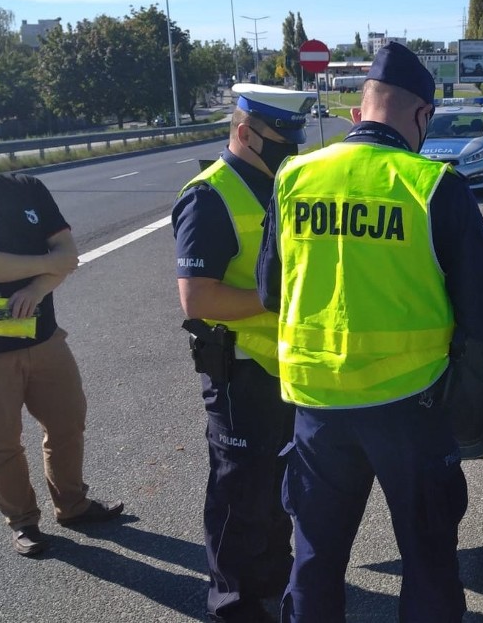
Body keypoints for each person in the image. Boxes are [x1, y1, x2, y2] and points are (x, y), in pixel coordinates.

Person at [256, 42, 483, 622]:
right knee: (427, 559)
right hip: (409, 409)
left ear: (360, 110)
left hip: (316, 408)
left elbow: (271, 291)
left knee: (316, 560)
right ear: (422, 115)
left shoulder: (295, 176)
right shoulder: (433, 186)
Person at [172, 83, 315, 623]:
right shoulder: (209, 196)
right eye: (280, 140)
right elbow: (198, 298)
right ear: (242, 132)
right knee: (238, 498)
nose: (291, 151)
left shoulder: (282, 184)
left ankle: (271, 587)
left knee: (277, 493)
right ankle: (232, 605)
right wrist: (274, 299)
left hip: (284, 371)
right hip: (238, 375)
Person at [0, 173, 124, 557]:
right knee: (2, 443)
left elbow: (69, 254)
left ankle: (73, 506)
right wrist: (48, 262)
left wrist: (36, 287)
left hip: (44, 335)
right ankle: (23, 523)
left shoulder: (27, 188)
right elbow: (58, 259)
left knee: (68, 421)